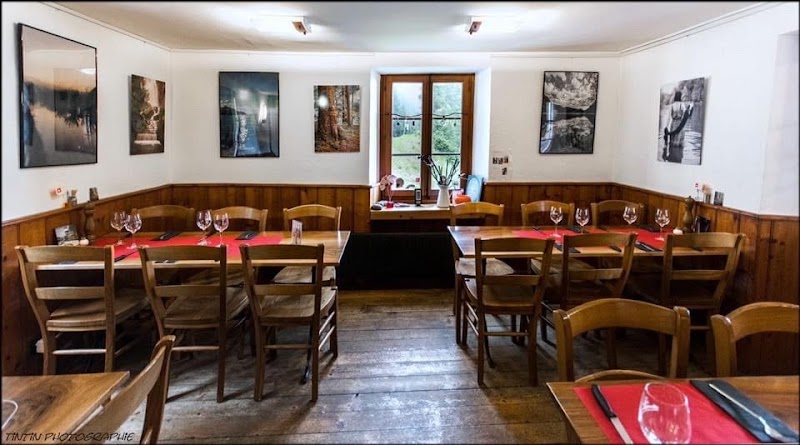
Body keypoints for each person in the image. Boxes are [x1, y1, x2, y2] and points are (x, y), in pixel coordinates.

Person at [663, 90, 694, 162]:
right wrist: (690, 108)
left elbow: (669, 118)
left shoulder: (672, 105)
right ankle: (678, 156)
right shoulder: (682, 105)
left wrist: (666, 127)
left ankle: (672, 155)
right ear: (680, 97)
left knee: (672, 143)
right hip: (680, 125)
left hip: (673, 125)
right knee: (679, 144)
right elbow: (686, 115)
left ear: (675, 97)